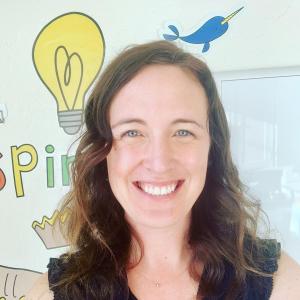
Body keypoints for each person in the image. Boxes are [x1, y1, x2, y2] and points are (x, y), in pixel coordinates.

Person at [27, 40, 300, 300]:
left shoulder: (278, 282)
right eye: (132, 132)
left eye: (183, 131)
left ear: (211, 149)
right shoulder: (50, 295)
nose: (159, 162)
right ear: (103, 152)